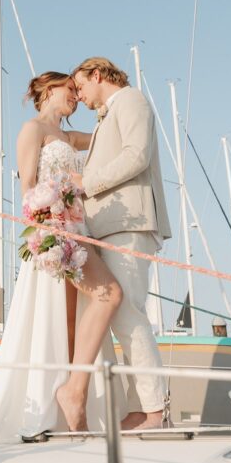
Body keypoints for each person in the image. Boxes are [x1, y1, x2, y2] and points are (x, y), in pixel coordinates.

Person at [0, 72, 126, 444]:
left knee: (73, 320)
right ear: (49, 90)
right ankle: (65, 403)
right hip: (54, 236)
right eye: (70, 90)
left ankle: (72, 405)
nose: (75, 96)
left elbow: (108, 138)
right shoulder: (32, 131)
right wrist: (47, 231)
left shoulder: (68, 138)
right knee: (89, 303)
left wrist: (108, 103)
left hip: (79, 231)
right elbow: (27, 192)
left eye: (77, 90)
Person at [71, 56, 172, 431]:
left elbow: (137, 155)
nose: (79, 96)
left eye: (80, 86)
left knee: (129, 313)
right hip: (109, 227)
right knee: (122, 318)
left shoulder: (131, 101)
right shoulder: (106, 115)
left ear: (98, 75)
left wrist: (85, 182)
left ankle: (155, 411)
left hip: (129, 223)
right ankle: (141, 407)